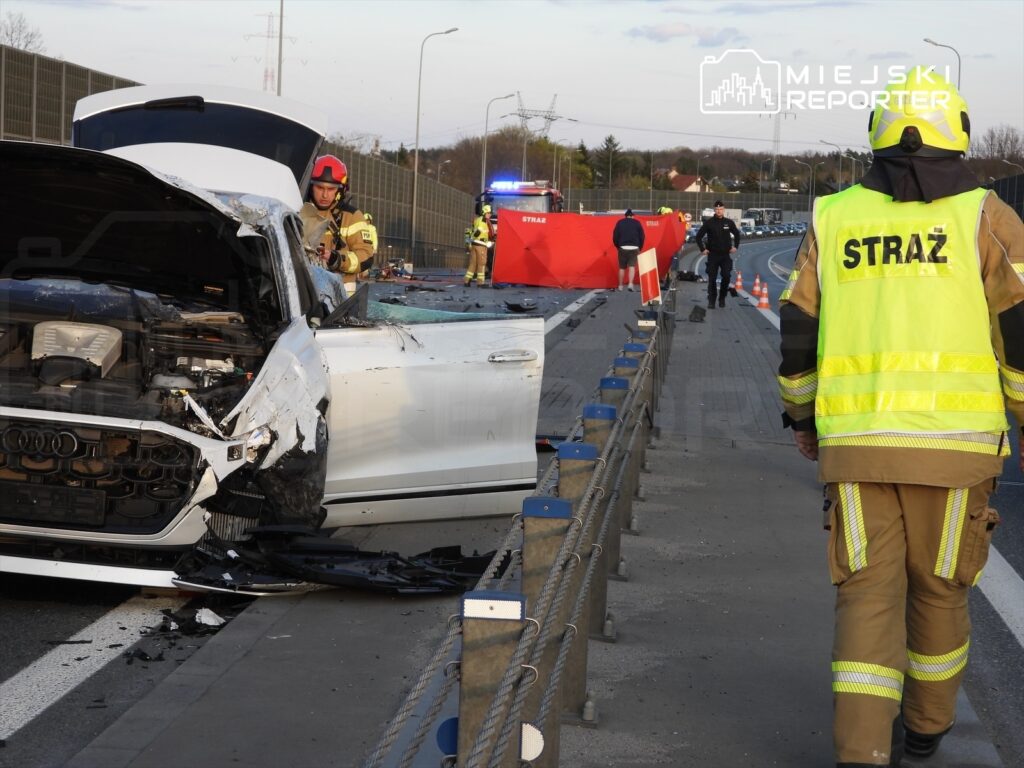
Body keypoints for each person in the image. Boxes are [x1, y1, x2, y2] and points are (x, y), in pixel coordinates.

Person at [777, 66, 1024, 768]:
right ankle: (925, 727)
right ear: (959, 135)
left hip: (855, 447)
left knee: (866, 597)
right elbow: (1020, 329)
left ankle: (860, 752)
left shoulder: (834, 216)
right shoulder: (987, 217)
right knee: (940, 590)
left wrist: (802, 415)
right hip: (957, 448)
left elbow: (798, 327)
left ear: (878, 136)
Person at [298, 154, 374, 291]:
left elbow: (366, 256)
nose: (325, 195)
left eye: (331, 189)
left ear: (341, 190)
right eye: (320, 188)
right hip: (304, 292)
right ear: (310, 187)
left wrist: (336, 258)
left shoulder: (352, 216)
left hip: (340, 302)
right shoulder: (298, 210)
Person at [695, 201, 740, 309]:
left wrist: (736, 247)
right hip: (713, 255)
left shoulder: (728, 222)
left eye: (721, 209)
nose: (719, 211)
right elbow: (698, 236)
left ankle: (722, 297)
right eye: (717, 209)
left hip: (725, 255)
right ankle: (712, 300)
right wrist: (703, 249)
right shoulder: (709, 223)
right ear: (714, 210)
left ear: (724, 210)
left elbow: (737, 234)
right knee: (712, 279)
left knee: (726, 276)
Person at [612, 208, 644, 291]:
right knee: (632, 266)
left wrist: (618, 246)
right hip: (634, 247)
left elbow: (615, 236)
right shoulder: (637, 223)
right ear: (632, 216)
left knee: (622, 267)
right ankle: (630, 284)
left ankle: (620, 286)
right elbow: (642, 236)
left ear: (625, 216)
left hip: (622, 247)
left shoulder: (620, 222)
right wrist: (640, 247)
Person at [465, 204, 492, 287]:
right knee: (482, 263)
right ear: (484, 213)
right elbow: (478, 232)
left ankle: (467, 281)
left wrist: (470, 241)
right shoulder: (483, 221)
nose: (490, 215)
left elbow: (472, 230)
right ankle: (480, 283)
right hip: (481, 245)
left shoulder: (477, 219)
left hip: (474, 245)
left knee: (472, 263)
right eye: (489, 213)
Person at [360, 212, 378, 278]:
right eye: (366, 220)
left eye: (368, 220)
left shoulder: (372, 228)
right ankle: (361, 274)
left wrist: (375, 248)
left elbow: (374, 239)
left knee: (366, 260)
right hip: (361, 247)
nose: (367, 222)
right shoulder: (360, 227)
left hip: (369, 247)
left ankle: (365, 274)